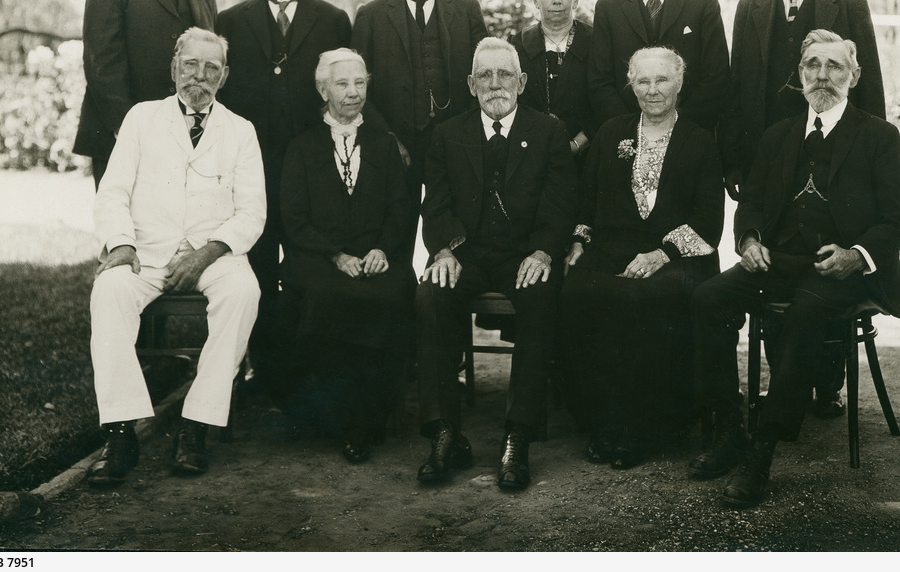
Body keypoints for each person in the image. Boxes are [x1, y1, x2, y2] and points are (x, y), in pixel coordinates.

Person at [688, 30, 900, 508]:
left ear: (855, 75)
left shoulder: (879, 136)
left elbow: (895, 223)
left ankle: (761, 454)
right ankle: (730, 431)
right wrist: (747, 241)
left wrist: (855, 255)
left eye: (833, 66)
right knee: (707, 298)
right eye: (812, 65)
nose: (822, 75)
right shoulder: (778, 135)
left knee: (804, 314)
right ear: (800, 75)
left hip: (842, 269)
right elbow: (749, 207)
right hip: (781, 260)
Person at [719, 0, 888, 417]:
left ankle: (825, 384)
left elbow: (872, 90)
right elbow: (738, 90)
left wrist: (868, 164)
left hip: (836, 164)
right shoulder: (750, 8)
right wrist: (735, 164)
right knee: (772, 264)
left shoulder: (848, 2)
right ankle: (781, 381)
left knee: (825, 267)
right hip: (771, 166)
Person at [86, 28, 266, 486]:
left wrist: (207, 253)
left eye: (211, 69)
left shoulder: (240, 131)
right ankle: (121, 433)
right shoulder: (141, 119)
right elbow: (113, 192)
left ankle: (195, 424)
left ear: (223, 77)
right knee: (109, 290)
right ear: (174, 68)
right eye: (191, 65)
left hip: (215, 254)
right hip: (145, 250)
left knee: (244, 291)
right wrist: (122, 244)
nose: (199, 77)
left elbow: (252, 213)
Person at [414, 38, 576, 492]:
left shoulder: (549, 131)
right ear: (470, 84)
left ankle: (517, 435)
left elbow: (560, 205)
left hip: (523, 255)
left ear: (522, 82)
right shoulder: (448, 134)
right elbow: (437, 205)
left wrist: (544, 252)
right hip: (464, 253)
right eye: (484, 76)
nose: (495, 84)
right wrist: (444, 250)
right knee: (430, 293)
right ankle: (445, 431)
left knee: (542, 293)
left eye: (504, 74)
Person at [559, 47, 724, 469]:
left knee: (647, 299)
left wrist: (661, 254)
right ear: (630, 85)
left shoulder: (701, 139)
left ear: (679, 83)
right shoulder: (612, 132)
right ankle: (604, 422)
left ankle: (648, 427)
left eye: (662, 80)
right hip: (613, 247)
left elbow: (709, 220)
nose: (653, 91)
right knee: (580, 290)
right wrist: (578, 241)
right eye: (643, 81)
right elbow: (585, 202)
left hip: (678, 255)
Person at [216, 0, 352, 402]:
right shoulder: (230, 20)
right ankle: (257, 363)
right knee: (252, 262)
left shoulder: (333, 19)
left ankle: (301, 370)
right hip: (249, 165)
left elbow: (344, 92)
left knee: (306, 263)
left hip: (311, 168)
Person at [279, 49, 415, 464]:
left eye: (360, 83)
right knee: (330, 298)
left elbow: (401, 208)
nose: (353, 93)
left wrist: (381, 250)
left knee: (392, 294)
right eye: (342, 84)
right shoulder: (302, 146)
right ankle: (336, 418)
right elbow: (294, 218)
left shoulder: (384, 144)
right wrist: (335, 255)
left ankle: (374, 413)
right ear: (323, 89)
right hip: (318, 259)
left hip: (375, 256)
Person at [352, 0, 489, 233]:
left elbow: (484, 78)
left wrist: (468, 134)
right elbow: (361, 91)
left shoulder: (467, 10)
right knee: (394, 231)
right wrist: (387, 140)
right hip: (396, 145)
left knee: (456, 229)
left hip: (455, 143)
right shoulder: (370, 16)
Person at [73, 0, 217, 188]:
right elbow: (102, 67)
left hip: (187, 139)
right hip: (122, 138)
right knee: (126, 229)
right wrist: (131, 133)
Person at [588, 0, 729, 133]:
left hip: (689, 134)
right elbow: (600, 81)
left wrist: (679, 130)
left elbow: (716, 78)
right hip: (625, 137)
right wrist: (631, 131)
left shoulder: (703, 3)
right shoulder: (608, 7)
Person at [511, 0, 596, 168]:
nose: (556, 0)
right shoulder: (518, 44)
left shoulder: (595, 41)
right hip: (530, 156)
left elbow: (603, 101)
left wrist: (576, 145)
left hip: (587, 155)